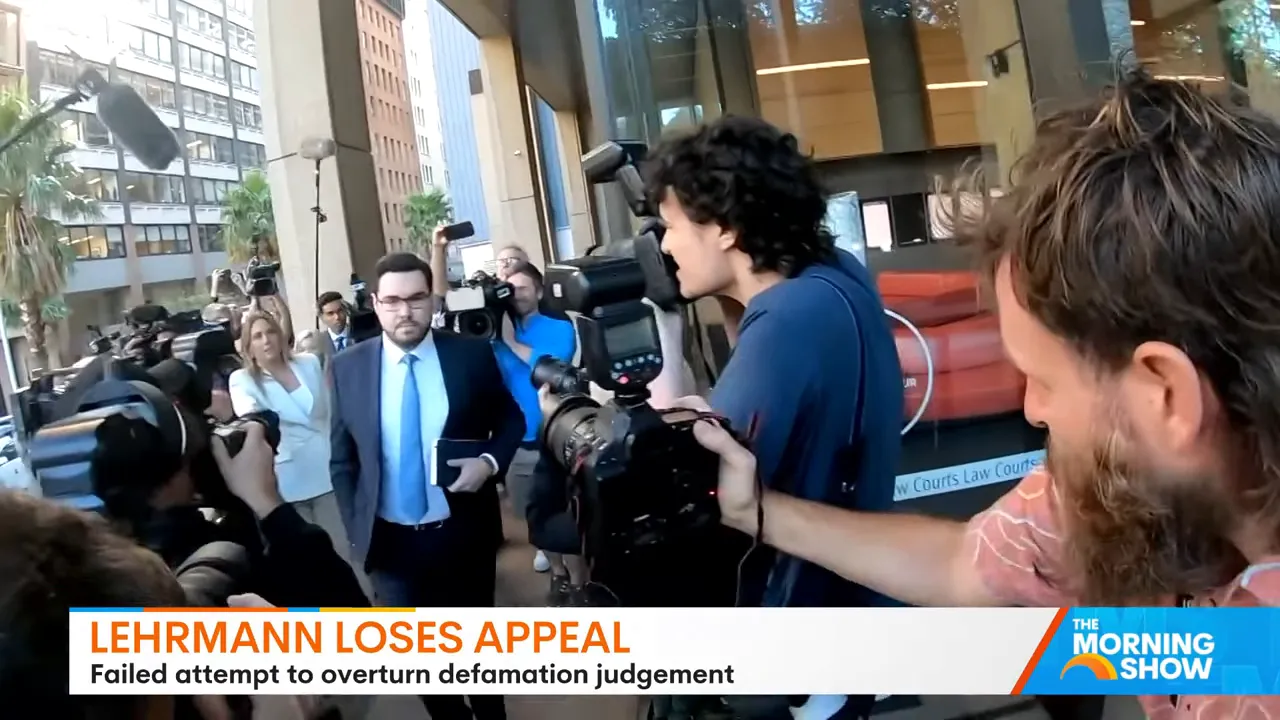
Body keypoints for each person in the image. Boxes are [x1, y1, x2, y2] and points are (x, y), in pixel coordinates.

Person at [691, 72, 1280, 719]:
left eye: (1045, 380)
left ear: (1166, 394)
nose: (1031, 409)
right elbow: (964, 564)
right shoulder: (1137, 488)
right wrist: (758, 512)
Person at [643, 115, 903, 719]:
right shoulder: (834, 276)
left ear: (727, 228)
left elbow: (699, 467)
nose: (662, 246)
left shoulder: (786, 323)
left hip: (807, 629)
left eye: (673, 225)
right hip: (857, 599)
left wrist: (665, 322)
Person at [329, 251, 523, 720]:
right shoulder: (348, 367)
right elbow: (343, 460)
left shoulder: (469, 355)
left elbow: (511, 419)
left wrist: (488, 461)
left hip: (462, 535)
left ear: (431, 300)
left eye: (416, 298)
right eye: (392, 301)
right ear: (375, 305)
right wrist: (360, 538)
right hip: (391, 547)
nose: (405, 311)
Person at [228, 311, 356, 573]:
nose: (266, 340)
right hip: (288, 480)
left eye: (271, 332)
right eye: (257, 336)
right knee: (310, 565)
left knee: (346, 556)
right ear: (248, 347)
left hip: (328, 469)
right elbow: (254, 419)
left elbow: (329, 411)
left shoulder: (308, 362)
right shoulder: (242, 380)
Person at [490, 261, 578, 591]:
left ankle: (580, 581)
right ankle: (558, 574)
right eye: (509, 289)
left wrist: (511, 342)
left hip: (555, 435)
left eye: (522, 288)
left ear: (539, 291)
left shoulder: (559, 328)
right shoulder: (494, 331)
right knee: (534, 515)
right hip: (518, 442)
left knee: (567, 513)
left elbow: (550, 368)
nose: (515, 295)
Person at [317, 290, 353, 354]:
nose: (337, 317)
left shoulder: (360, 335)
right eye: (330, 313)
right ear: (321, 317)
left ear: (346, 311)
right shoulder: (318, 344)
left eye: (340, 311)